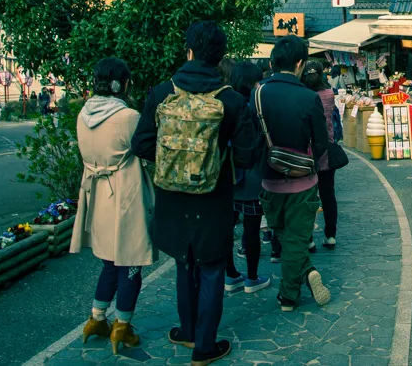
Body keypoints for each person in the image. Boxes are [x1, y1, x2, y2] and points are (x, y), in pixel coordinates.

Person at [131, 21, 256, 365]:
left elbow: (141, 144)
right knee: (212, 267)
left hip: (172, 199)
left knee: (184, 263)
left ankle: (187, 332)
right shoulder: (230, 100)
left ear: (188, 51)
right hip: (213, 199)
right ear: (219, 58)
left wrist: (173, 158)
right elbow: (248, 153)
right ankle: (204, 346)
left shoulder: (161, 93)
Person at [71, 58, 156, 355]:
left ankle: (96, 319)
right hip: (126, 193)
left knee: (108, 261)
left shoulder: (83, 115)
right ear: (124, 83)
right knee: (131, 262)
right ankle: (122, 325)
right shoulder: (128, 117)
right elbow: (148, 148)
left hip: (97, 193)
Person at [254, 35, 331, 312]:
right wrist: (306, 158)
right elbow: (322, 142)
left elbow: (251, 139)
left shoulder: (258, 93)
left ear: (274, 61)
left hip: (269, 178)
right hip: (303, 180)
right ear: (300, 63)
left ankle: (294, 286)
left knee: (283, 234)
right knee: (296, 238)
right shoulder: (309, 97)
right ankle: (291, 292)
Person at [224, 60, 271, 295]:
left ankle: (231, 274)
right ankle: (252, 278)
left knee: (226, 227)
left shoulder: (224, 104)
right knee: (251, 229)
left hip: (226, 177)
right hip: (251, 176)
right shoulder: (254, 107)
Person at [301, 59, 344, 250]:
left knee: (308, 196)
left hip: (306, 151)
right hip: (326, 148)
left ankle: (308, 238)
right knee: (328, 194)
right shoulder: (328, 94)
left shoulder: (302, 95)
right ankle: (330, 235)